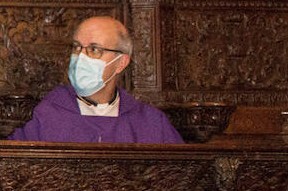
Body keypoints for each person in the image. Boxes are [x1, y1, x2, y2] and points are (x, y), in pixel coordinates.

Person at [10, 16, 182, 144]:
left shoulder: (151, 123)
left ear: (121, 63)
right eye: (77, 47)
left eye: (94, 49)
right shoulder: (43, 116)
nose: (81, 57)